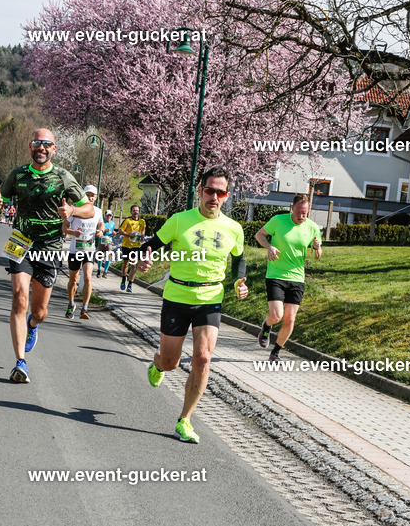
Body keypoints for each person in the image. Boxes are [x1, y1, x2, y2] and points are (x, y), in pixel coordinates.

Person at [137, 167, 248, 444]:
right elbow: (150, 245)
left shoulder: (234, 228)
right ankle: (158, 365)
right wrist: (145, 258)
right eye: (209, 190)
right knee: (171, 362)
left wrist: (239, 281)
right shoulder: (179, 220)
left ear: (227, 195)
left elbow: (239, 259)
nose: (214, 196)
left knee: (203, 358)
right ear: (200, 191)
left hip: (210, 300)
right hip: (177, 298)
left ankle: (184, 420)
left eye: (220, 192)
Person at [0, 129, 94, 383]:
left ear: (54, 149)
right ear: (30, 146)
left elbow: (89, 209)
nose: (41, 147)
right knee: (19, 297)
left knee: (40, 311)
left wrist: (72, 210)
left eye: (46, 144)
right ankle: (20, 362)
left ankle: (33, 325)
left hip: (50, 245)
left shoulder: (63, 177)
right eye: (37, 143)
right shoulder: (18, 174)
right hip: (21, 240)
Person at [254, 193, 322, 363]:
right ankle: (267, 325)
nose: (301, 216)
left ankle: (276, 352)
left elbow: (318, 256)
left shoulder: (312, 227)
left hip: (297, 278)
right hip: (276, 274)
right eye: (298, 212)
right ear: (292, 208)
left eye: (304, 213)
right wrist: (269, 247)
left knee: (290, 319)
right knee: (276, 315)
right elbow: (259, 235)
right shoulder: (278, 220)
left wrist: (317, 248)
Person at [63, 185, 104, 320]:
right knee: (73, 279)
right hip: (75, 250)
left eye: (93, 195)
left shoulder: (98, 211)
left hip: (89, 250)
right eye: (88, 194)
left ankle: (85, 308)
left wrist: (101, 231)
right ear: (83, 195)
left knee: (87, 277)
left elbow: (101, 224)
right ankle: (71, 304)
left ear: (96, 197)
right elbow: (64, 227)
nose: (90, 197)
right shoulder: (75, 209)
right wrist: (72, 232)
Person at [117, 204, 146, 292]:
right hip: (126, 245)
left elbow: (143, 230)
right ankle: (123, 279)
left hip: (136, 246)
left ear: (139, 211)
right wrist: (130, 234)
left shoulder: (142, 221)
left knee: (133, 265)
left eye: (137, 210)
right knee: (125, 264)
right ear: (131, 211)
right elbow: (120, 231)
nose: (135, 212)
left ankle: (130, 284)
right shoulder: (127, 220)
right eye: (134, 210)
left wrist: (142, 236)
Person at [96, 209, 116, 277]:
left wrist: (113, 233)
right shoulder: (102, 222)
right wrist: (104, 230)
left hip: (109, 241)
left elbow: (112, 231)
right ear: (105, 216)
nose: (108, 217)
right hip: (101, 240)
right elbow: (98, 230)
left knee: (108, 255)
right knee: (100, 256)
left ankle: (105, 271)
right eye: (107, 216)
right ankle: (99, 270)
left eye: (110, 216)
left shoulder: (113, 223)